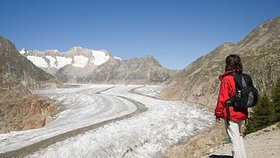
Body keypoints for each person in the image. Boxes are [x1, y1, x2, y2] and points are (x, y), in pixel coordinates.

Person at [215, 54, 248, 158]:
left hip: (231, 114)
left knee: (234, 139)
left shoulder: (227, 79)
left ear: (228, 65)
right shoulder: (242, 77)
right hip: (242, 111)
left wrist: (218, 113)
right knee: (239, 136)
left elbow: (222, 98)